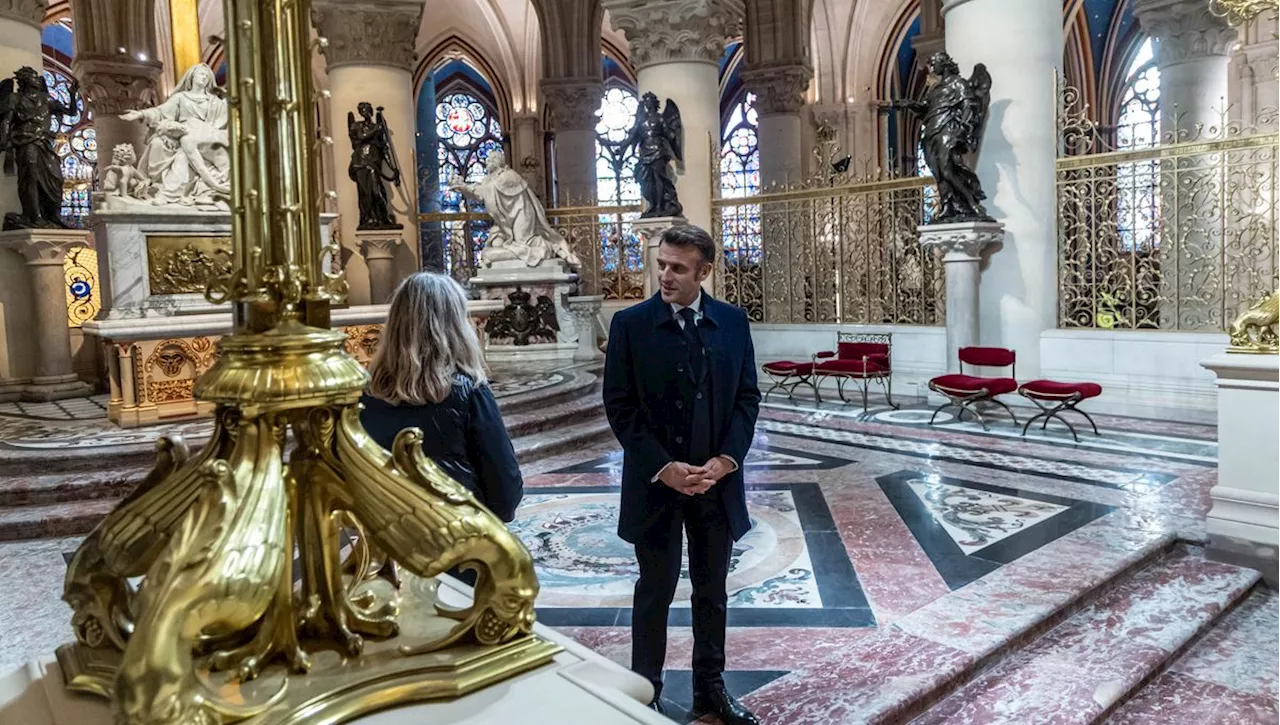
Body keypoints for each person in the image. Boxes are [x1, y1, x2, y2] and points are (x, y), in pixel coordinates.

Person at [602, 224, 761, 724]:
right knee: (655, 590)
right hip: (657, 487)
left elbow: (746, 398)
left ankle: (710, 691)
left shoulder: (733, 323)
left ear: (704, 271)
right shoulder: (631, 324)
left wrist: (727, 460)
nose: (665, 275)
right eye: (662, 264)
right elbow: (620, 407)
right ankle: (644, 691)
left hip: (716, 486)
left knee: (712, 590)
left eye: (677, 267)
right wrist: (663, 468)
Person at [360, 272, 523, 534]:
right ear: (456, 325)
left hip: (390, 542)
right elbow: (504, 490)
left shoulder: (364, 396)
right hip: (457, 543)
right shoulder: (469, 392)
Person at [121, 63, 230, 208]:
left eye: (206, 75)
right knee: (159, 145)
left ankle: (168, 195)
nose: (203, 77)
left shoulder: (216, 103)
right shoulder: (181, 98)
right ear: (192, 77)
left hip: (206, 138)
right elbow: (160, 112)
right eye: (200, 74)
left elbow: (223, 122)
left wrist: (206, 133)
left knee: (182, 158)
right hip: (182, 137)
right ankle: (165, 192)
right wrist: (140, 114)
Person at [448, 150, 581, 268]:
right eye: (487, 160)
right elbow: (480, 193)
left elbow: (486, 191)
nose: (486, 162)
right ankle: (529, 250)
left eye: (490, 160)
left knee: (524, 242)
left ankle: (548, 247)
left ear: (498, 161)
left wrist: (465, 186)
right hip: (506, 224)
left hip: (522, 215)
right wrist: (462, 187)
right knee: (494, 245)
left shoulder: (508, 175)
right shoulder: (489, 179)